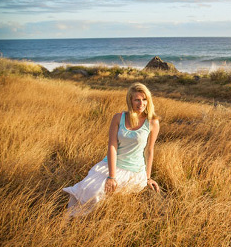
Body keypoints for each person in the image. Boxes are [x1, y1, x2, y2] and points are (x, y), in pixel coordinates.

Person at [63, 82, 160, 217]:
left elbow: (149, 151)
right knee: (85, 187)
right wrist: (111, 176)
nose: (141, 103)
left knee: (97, 192)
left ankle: (79, 218)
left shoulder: (152, 122)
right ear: (130, 101)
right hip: (110, 166)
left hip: (133, 170)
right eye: (137, 99)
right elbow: (112, 146)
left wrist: (147, 177)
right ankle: (68, 220)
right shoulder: (118, 118)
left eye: (144, 99)